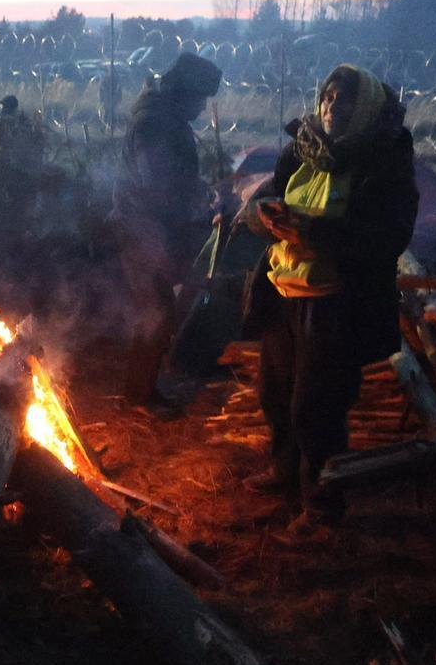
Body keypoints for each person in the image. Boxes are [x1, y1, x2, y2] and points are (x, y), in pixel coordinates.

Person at [242, 64, 417, 532]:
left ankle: (323, 504)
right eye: (327, 97)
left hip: (337, 301)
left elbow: (388, 236)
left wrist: (312, 231)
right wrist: (265, 218)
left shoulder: (384, 161)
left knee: (317, 406)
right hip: (285, 291)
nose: (331, 106)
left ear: (366, 111)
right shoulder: (304, 149)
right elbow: (263, 204)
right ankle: (284, 471)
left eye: (344, 101)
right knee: (275, 393)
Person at [111, 53, 222, 409]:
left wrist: (202, 191)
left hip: (150, 227)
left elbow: (176, 178)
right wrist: (198, 202)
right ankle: (139, 394)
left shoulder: (164, 116)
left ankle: (142, 388)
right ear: (182, 93)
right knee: (156, 311)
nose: (202, 108)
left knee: (159, 309)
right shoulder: (155, 123)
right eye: (199, 99)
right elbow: (160, 186)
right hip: (142, 228)